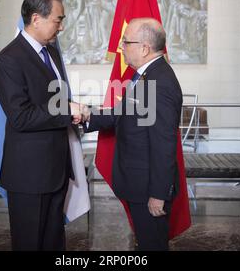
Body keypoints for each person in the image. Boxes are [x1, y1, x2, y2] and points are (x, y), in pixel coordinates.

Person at [72, 18, 183, 251]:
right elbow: (122, 113)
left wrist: (158, 194)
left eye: (126, 42)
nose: (121, 46)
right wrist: (87, 115)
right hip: (139, 185)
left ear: (144, 48)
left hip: (148, 190)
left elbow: (164, 145)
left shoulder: (159, 82)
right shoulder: (145, 76)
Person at [0, 0, 80, 251]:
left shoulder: (51, 53)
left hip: (56, 170)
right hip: (29, 176)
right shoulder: (9, 59)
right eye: (58, 19)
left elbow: (52, 104)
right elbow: (21, 117)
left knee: (54, 243)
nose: (61, 27)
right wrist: (68, 110)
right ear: (35, 19)